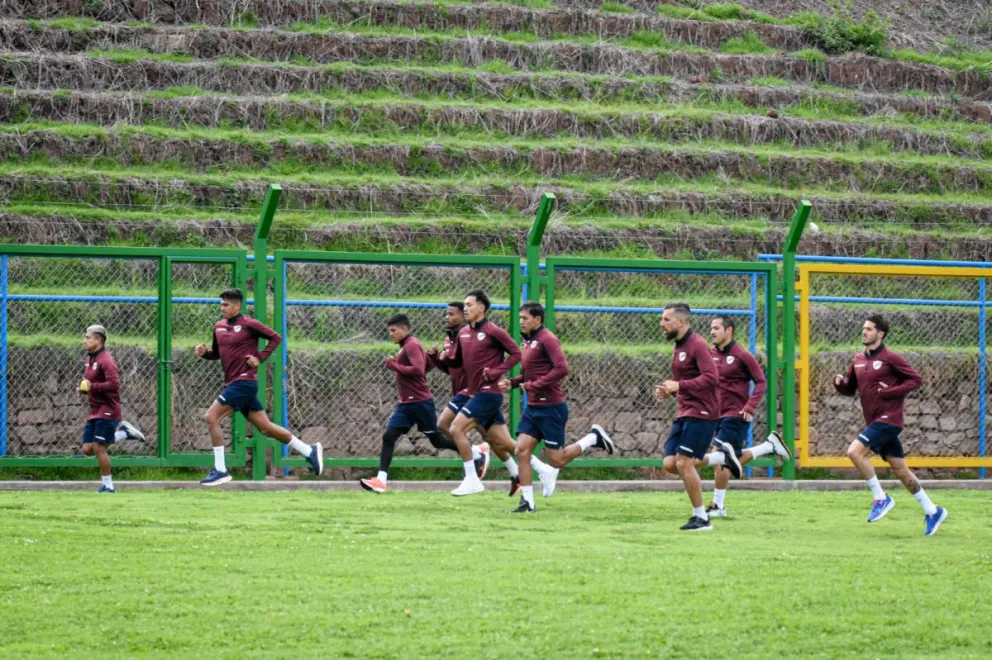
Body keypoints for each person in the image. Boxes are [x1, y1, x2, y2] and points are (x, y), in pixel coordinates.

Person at [195, 288, 322, 486]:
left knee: (211, 417)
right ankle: (309, 451)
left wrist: (259, 358)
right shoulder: (218, 326)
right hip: (234, 383)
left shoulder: (249, 324)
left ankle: (220, 470)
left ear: (238, 306)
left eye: (226, 305)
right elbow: (218, 353)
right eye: (221, 304)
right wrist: (205, 353)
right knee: (265, 428)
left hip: (244, 382)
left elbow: (276, 338)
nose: (222, 308)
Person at [834, 315, 947, 536]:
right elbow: (850, 390)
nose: (864, 332)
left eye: (869, 329)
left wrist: (889, 392)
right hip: (875, 421)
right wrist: (840, 385)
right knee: (901, 471)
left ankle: (880, 498)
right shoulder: (857, 360)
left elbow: (916, 380)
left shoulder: (891, 358)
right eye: (863, 328)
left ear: (880, 334)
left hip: (889, 419)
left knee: (855, 452)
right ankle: (932, 511)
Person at [438, 289, 556, 497]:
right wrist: (440, 358)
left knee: (456, 428)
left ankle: (472, 480)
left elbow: (516, 354)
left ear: (482, 308)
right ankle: (543, 469)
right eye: (464, 305)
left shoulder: (494, 331)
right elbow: (457, 362)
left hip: (488, 393)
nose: (465, 308)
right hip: (474, 393)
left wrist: (496, 372)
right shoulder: (464, 332)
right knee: (504, 443)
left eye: (469, 304)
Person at [500, 302, 615, 513]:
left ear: (538, 319)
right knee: (522, 450)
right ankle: (527, 503)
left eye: (525, 318)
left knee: (557, 460)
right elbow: (531, 374)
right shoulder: (530, 342)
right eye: (520, 318)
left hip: (551, 408)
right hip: (533, 408)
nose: (521, 322)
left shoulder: (547, 339)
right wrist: (513, 383)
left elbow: (562, 368)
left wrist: (532, 386)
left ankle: (593, 438)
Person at [696, 315, 791, 517]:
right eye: (711, 328)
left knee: (719, 456)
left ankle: (718, 505)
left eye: (716, 328)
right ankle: (768, 447)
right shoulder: (710, 354)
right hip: (715, 414)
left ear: (728, 330)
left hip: (736, 414)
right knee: (728, 460)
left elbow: (761, 382)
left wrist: (749, 406)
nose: (711, 332)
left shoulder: (742, 355)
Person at [360, 314, 465, 493]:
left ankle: (476, 453)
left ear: (405, 329)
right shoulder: (407, 346)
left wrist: (393, 365)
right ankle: (381, 480)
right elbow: (423, 368)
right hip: (405, 405)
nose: (390, 334)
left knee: (437, 441)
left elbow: (417, 371)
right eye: (389, 330)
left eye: (393, 330)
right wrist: (431, 359)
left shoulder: (412, 345)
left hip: (420, 403)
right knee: (388, 437)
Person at [656, 303, 720, 532]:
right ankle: (719, 458)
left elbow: (712, 379)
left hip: (702, 412)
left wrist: (679, 385)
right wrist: (670, 390)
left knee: (683, 462)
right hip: (685, 411)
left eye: (665, 319)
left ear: (680, 322)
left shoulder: (697, 345)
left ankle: (701, 518)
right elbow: (687, 385)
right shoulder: (679, 346)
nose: (661, 324)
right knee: (670, 464)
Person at [427, 302, 491, 480]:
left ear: (463, 316)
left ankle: (479, 460)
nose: (447, 317)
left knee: (446, 425)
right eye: (446, 314)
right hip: (459, 392)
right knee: (484, 434)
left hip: (471, 392)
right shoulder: (449, 339)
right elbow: (451, 369)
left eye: (451, 314)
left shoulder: (468, 336)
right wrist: (436, 358)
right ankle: (480, 458)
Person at [78, 324, 144, 493]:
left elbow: (114, 384)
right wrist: (84, 389)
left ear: (98, 340)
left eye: (87, 337)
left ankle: (108, 486)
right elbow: (91, 383)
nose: (84, 341)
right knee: (87, 449)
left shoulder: (106, 360)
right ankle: (124, 434)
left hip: (108, 409)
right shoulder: (90, 359)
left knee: (100, 448)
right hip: (95, 410)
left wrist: (92, 387)